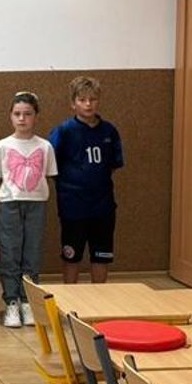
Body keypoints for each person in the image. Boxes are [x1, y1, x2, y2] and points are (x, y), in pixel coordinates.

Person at [0, 91, 58, 327]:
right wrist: (5, 199)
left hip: (36, 204)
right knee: (10, 253)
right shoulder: (3, 146)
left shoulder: (45, 146)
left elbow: (47, 176)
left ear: (35, 116)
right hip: (10, 204)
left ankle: (28, 302)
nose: (22, 119)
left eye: (27, 114)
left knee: (32, 253)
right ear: (10, 116)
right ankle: (11, 302)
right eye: (17, 114)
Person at [50, 75, 125, 286]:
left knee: (101, 255)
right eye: (82, 100)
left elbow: (113, 165)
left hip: (102, 205)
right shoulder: (63, 131)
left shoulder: (109, 131)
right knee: (71, 255)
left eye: (92, 99)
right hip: (73, 205)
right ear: (73, 103)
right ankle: (70, 298)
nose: (88, 104)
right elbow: (51, 166)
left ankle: (98, 297)